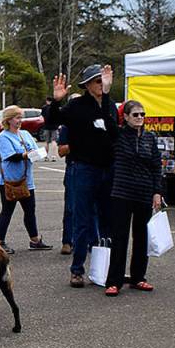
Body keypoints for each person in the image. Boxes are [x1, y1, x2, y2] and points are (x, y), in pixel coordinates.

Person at [46, 64, 118, 287]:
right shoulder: (77, 105)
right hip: (84, 168)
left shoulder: (109, 105)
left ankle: (104, 268)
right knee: (83, 221)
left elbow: (113, 130)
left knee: (107, 221)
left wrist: (106, 97)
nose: (101, 84)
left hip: (107, 169)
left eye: (104, 80)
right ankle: (77, 269)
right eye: (97, 81)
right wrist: (57, 101)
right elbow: (51, 121)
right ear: (87, 85)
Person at [104, 101, 163, 297]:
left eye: (142, 114)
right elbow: (108, 119)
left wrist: (157, 192)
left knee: (141, 238)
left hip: (144, 193)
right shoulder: (119, 136)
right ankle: (114, 281)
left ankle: (139, 277)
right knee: (120, 238)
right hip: (122, 193)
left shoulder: (150, 138)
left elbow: (156, 166)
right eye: (135, 114)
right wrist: (105, 91)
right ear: (126, 117)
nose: (140, 118)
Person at [0, 105, 50, 253]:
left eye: (21, 117)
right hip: (9, 180)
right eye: (17, 117)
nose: (20, 120)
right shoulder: (3, 136)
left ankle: (35, 240)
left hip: (26, 180)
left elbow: (33, 150)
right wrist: (27, 154)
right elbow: (11, 156)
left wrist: (40, 153)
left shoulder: (25, 134)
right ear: (8, 119)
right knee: (7, 210)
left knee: (30, 210)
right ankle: (0, 242)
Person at [57, 123, 74, 254]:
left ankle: (93, 241)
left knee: (95, 209)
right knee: (70, 207)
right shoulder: (67, 127)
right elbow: (61, 151)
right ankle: (67, 241)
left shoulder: (96, 121)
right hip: (74, 167)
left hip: (94, 167)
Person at [41, 96, 59, 160]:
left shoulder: (44, 108)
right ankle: (53, 156)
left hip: (46, 126)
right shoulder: (55, 107)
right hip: (54, 126)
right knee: (54, 141)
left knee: (46, 142)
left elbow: (42, 116)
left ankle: (46, 156)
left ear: (47, 101)